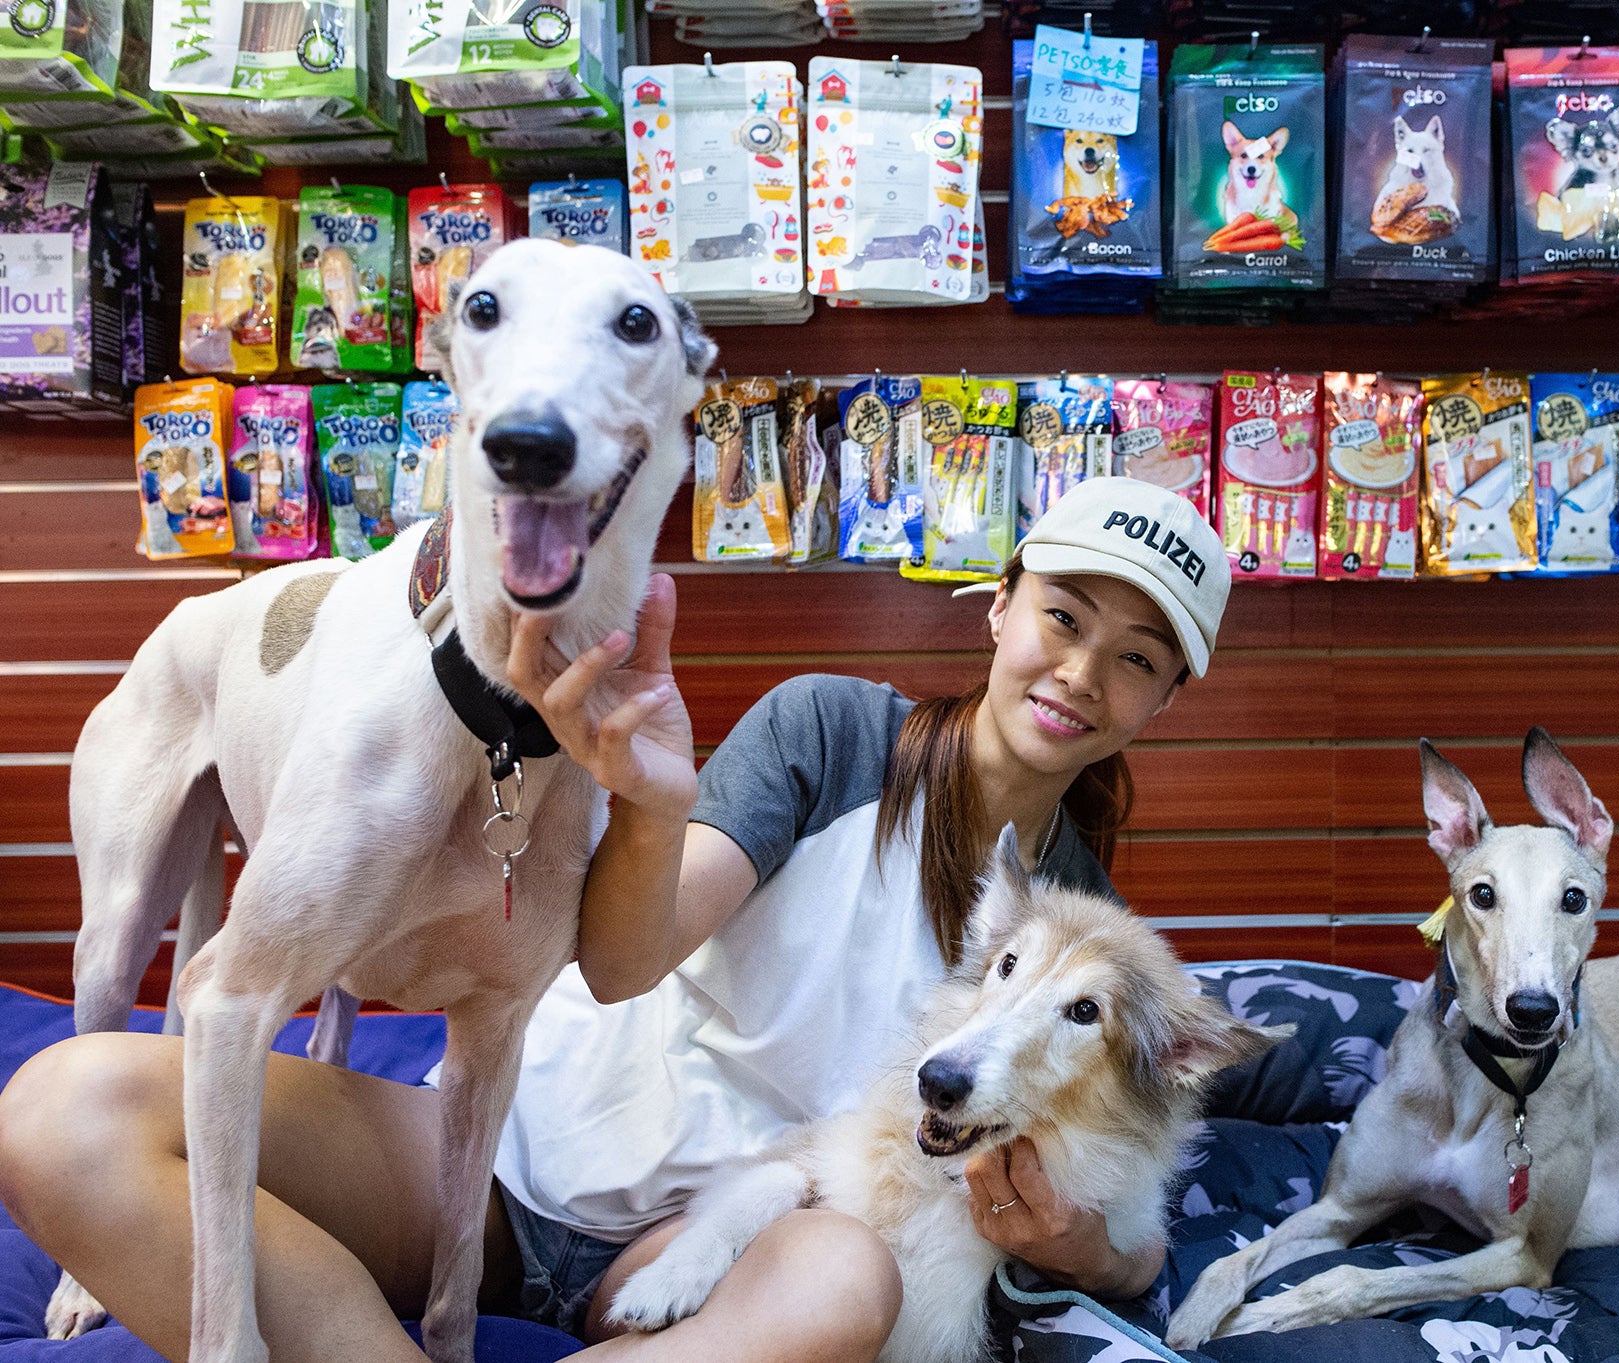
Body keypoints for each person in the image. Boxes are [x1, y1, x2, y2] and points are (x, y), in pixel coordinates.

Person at [0, 476, 1231, 1362]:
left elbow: (1126, 1224)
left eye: (1134, 658)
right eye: (1062, 618)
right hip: (491, 1162)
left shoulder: (1094, 948)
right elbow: (621, 955)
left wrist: (1086, 1249)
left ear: (1167, 695)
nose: (1078, 674)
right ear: (999, 606)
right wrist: (653, 803)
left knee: (845, 1286)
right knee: (66, 1110)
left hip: (721, 1251)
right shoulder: (832, 731)